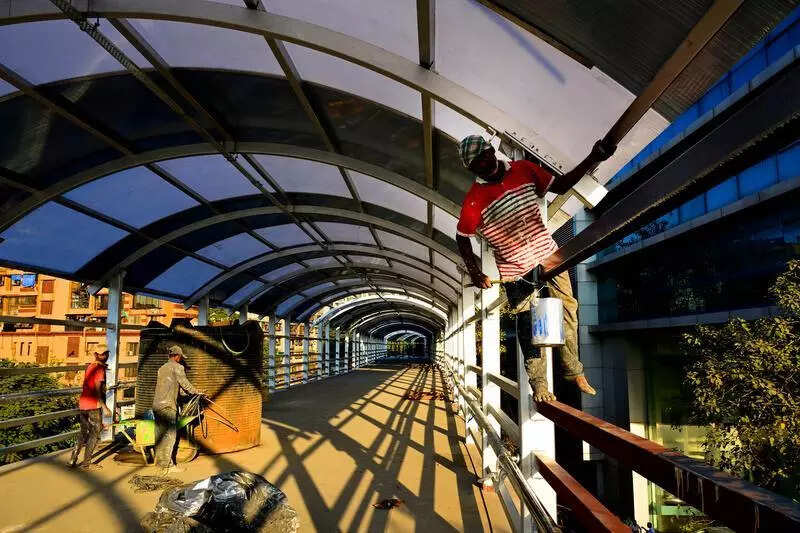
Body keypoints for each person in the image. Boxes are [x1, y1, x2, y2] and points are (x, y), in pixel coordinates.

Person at [456, 135, 615, 402]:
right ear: (471, 169)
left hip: (548, 255)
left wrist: (593, 158)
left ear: (491, 150)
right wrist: (475, 272)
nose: (482, 165)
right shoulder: (474, 200)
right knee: (529, 325)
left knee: (567, 308)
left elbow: (560, 186)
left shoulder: (523, 169)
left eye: (483, 157)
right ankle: (539, 384)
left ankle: (573, 370)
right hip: (515, 270)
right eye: (475, 165)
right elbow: (461, 237)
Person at [153, 345, 202, 473]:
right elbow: (184, 383)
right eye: (180, 357)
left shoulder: (162, 368)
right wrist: (197, 392)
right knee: (170, 436)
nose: (181, 359)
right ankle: (168, 466)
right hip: (168, 406)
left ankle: (160, 463)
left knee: (160, 435)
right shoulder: (178, 367)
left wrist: (189, 394)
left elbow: (177, 389)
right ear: (176, 356)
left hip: (157, 406)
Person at [70, 345, 113, 469]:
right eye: (102, 354)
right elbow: (97, 389)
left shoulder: (90, 366)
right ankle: (86, 464)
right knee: (95, 433)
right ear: (96, 355)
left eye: (106, 353)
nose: (105, 356)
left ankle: (72, 460)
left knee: (83, 433)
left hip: (83, 403)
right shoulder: (99, 369)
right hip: (93, 404)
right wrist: (104, 407)